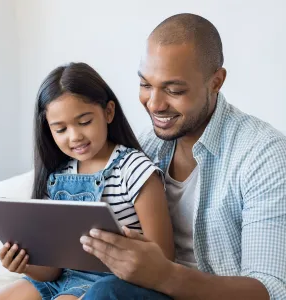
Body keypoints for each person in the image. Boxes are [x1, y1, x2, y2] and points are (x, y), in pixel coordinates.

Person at [78, 13, 286, 299]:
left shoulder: (264, 154)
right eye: (145, 85)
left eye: (174, 90)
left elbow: (272, 290)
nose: (154, 104)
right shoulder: (147, 146)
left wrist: (165, 275)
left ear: (216, 82)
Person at [0, 62, 174, 300]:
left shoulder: (134, 170)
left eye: (84, 122)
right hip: (62, 281)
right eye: (60, 129)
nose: (75, 136)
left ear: (108, 112)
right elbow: (52, 271)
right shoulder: (57, 176)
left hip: (117, 282)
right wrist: (24, 263)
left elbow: (164, 259)